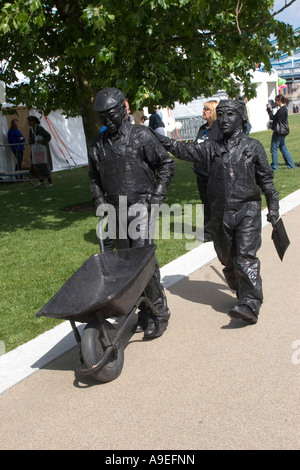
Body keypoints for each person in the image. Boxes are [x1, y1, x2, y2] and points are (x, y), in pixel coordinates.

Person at [155, 98, 279, 325]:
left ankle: (251, 304)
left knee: (245, 257)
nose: (223, 120)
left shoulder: (253, 148)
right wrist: (157, 138)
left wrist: (274, 209)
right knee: (228, 260)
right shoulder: (211, 148)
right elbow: (183, 149)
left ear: (241, 118)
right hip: (220, 213)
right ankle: (241, 288)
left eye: (229, 114)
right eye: (220, 114)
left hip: (247, 211)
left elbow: (267, 182)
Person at [89, 87, 175, 339]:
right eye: (102, 117)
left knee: (142, 263)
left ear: (123, 111)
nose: (107, 121)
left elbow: (166, 164)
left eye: (111, 114)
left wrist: (158, 195)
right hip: (115, 211)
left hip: (142, 206)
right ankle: (143, 310)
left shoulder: (141, 135)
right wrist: (98, 198)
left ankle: (158, 312)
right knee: (125, 264)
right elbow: (94, 176)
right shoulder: (97, 145)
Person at [194, 100, 223, 242]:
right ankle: (208, 232)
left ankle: (218, 231)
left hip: (213, 173)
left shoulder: (219, 129)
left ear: (213, 111)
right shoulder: (202, 128)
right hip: (201, 173)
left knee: (215, 203)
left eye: (207, 109)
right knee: (205, 202)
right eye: (204, 109)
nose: (203, 111)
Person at [266, 94, 296, 171]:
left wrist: (269, 109)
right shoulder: (285, 109)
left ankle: (274, 166)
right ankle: (291, 164)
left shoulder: (280, 110)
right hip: (283, 131)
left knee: (274, 149)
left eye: (276, 101)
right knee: (283, 148)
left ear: (279, 101)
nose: (275, 102)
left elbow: (272, 118)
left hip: (278, 131)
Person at [27, 115, 53, 187]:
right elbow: (30, 139)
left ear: (33, 121)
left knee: (44, 165)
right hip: (35, 149)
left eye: (29, 121)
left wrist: (42, 142)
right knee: (34, 165)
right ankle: (41, 180)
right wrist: (31, 141)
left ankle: (50, 181)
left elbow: (48, 136)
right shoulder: (31, 130)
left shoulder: (39, 129)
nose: (28, 123)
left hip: (42, 150)